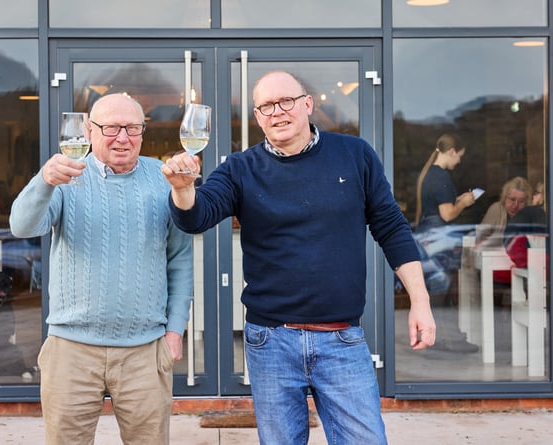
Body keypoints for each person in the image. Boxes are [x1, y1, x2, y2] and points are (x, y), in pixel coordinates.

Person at [161, 70, 436, 444]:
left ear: (308, 104)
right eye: (266, 106)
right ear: (257, 117)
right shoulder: (240, 169)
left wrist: (420, 301)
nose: (277, 112)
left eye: (285, 101)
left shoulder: (354, 155)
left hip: (341, 339)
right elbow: (197, 216)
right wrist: (182, 191)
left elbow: (392, 228)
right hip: (270, 342)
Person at [9, 94, 193, 445]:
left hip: (144, 349)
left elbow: (180, 259)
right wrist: (44, 180)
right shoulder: (65, 176)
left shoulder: (162, 177)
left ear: (142, 132)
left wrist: (175, 330)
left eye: (132, 128)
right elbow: (22, 226)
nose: (122, 137)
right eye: (111, 128)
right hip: (71, 350)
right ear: (90, 131)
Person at [414, 133, 478, 353]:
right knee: (444, 290)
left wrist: (457, 200)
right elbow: (448, 214)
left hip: (429, 237)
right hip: (440, 240)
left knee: (438, 290)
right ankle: (446, 340)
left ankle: (440, 339)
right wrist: (465, 203)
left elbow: (440, 209)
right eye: (459, 156)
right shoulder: (440, 177)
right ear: (451, 152)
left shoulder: (429, 174)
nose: (459, 160)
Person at [475, 176, 531, 248]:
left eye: (521, 201)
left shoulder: (529, 214)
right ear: (505, 197)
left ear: (527, 202)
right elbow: (480, 238)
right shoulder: (496, 209)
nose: (516, 205)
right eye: (512, 199)